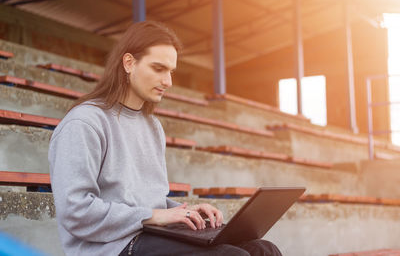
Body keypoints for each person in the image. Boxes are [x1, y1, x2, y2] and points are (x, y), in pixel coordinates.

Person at [48, 21, 282, 256]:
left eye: (170, 71)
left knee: (263, 250)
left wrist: (184, 212)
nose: (168, 82)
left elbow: (148, 202)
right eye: (158, 68)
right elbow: (75, 210)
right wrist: (158, 216)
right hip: (112, 248)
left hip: (149, 236)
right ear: (129, 63)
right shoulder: (84, 122)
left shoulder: (152, 127)